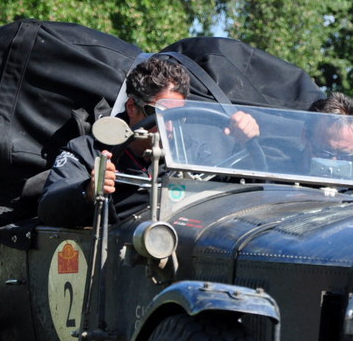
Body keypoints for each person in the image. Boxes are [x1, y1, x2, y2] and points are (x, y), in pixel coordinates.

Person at [38, 56, 259, 226]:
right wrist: (87, 191)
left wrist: (244, 142)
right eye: (160, 114)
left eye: (178, 116)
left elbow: (237, 196)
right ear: (132, 107)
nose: (170, 127)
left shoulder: (192, 154)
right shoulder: (89, 151)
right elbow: (48, 208)